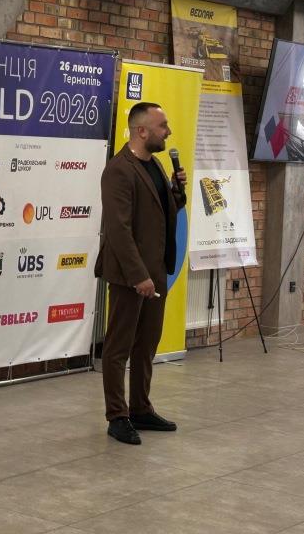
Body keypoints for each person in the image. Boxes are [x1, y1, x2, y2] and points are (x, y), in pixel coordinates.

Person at [99, 101, 186, 445]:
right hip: (129, 275)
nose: (168, 132)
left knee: (147, 343)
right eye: (163, 126)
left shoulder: (156, 165)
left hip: (156, 271)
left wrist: (176, 192)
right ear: (141, 130)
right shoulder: (119, 170)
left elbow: (164, 212)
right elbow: (118, 230)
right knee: (118, 346)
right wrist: (138, 276)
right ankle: (117, 416)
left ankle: (140, 408)